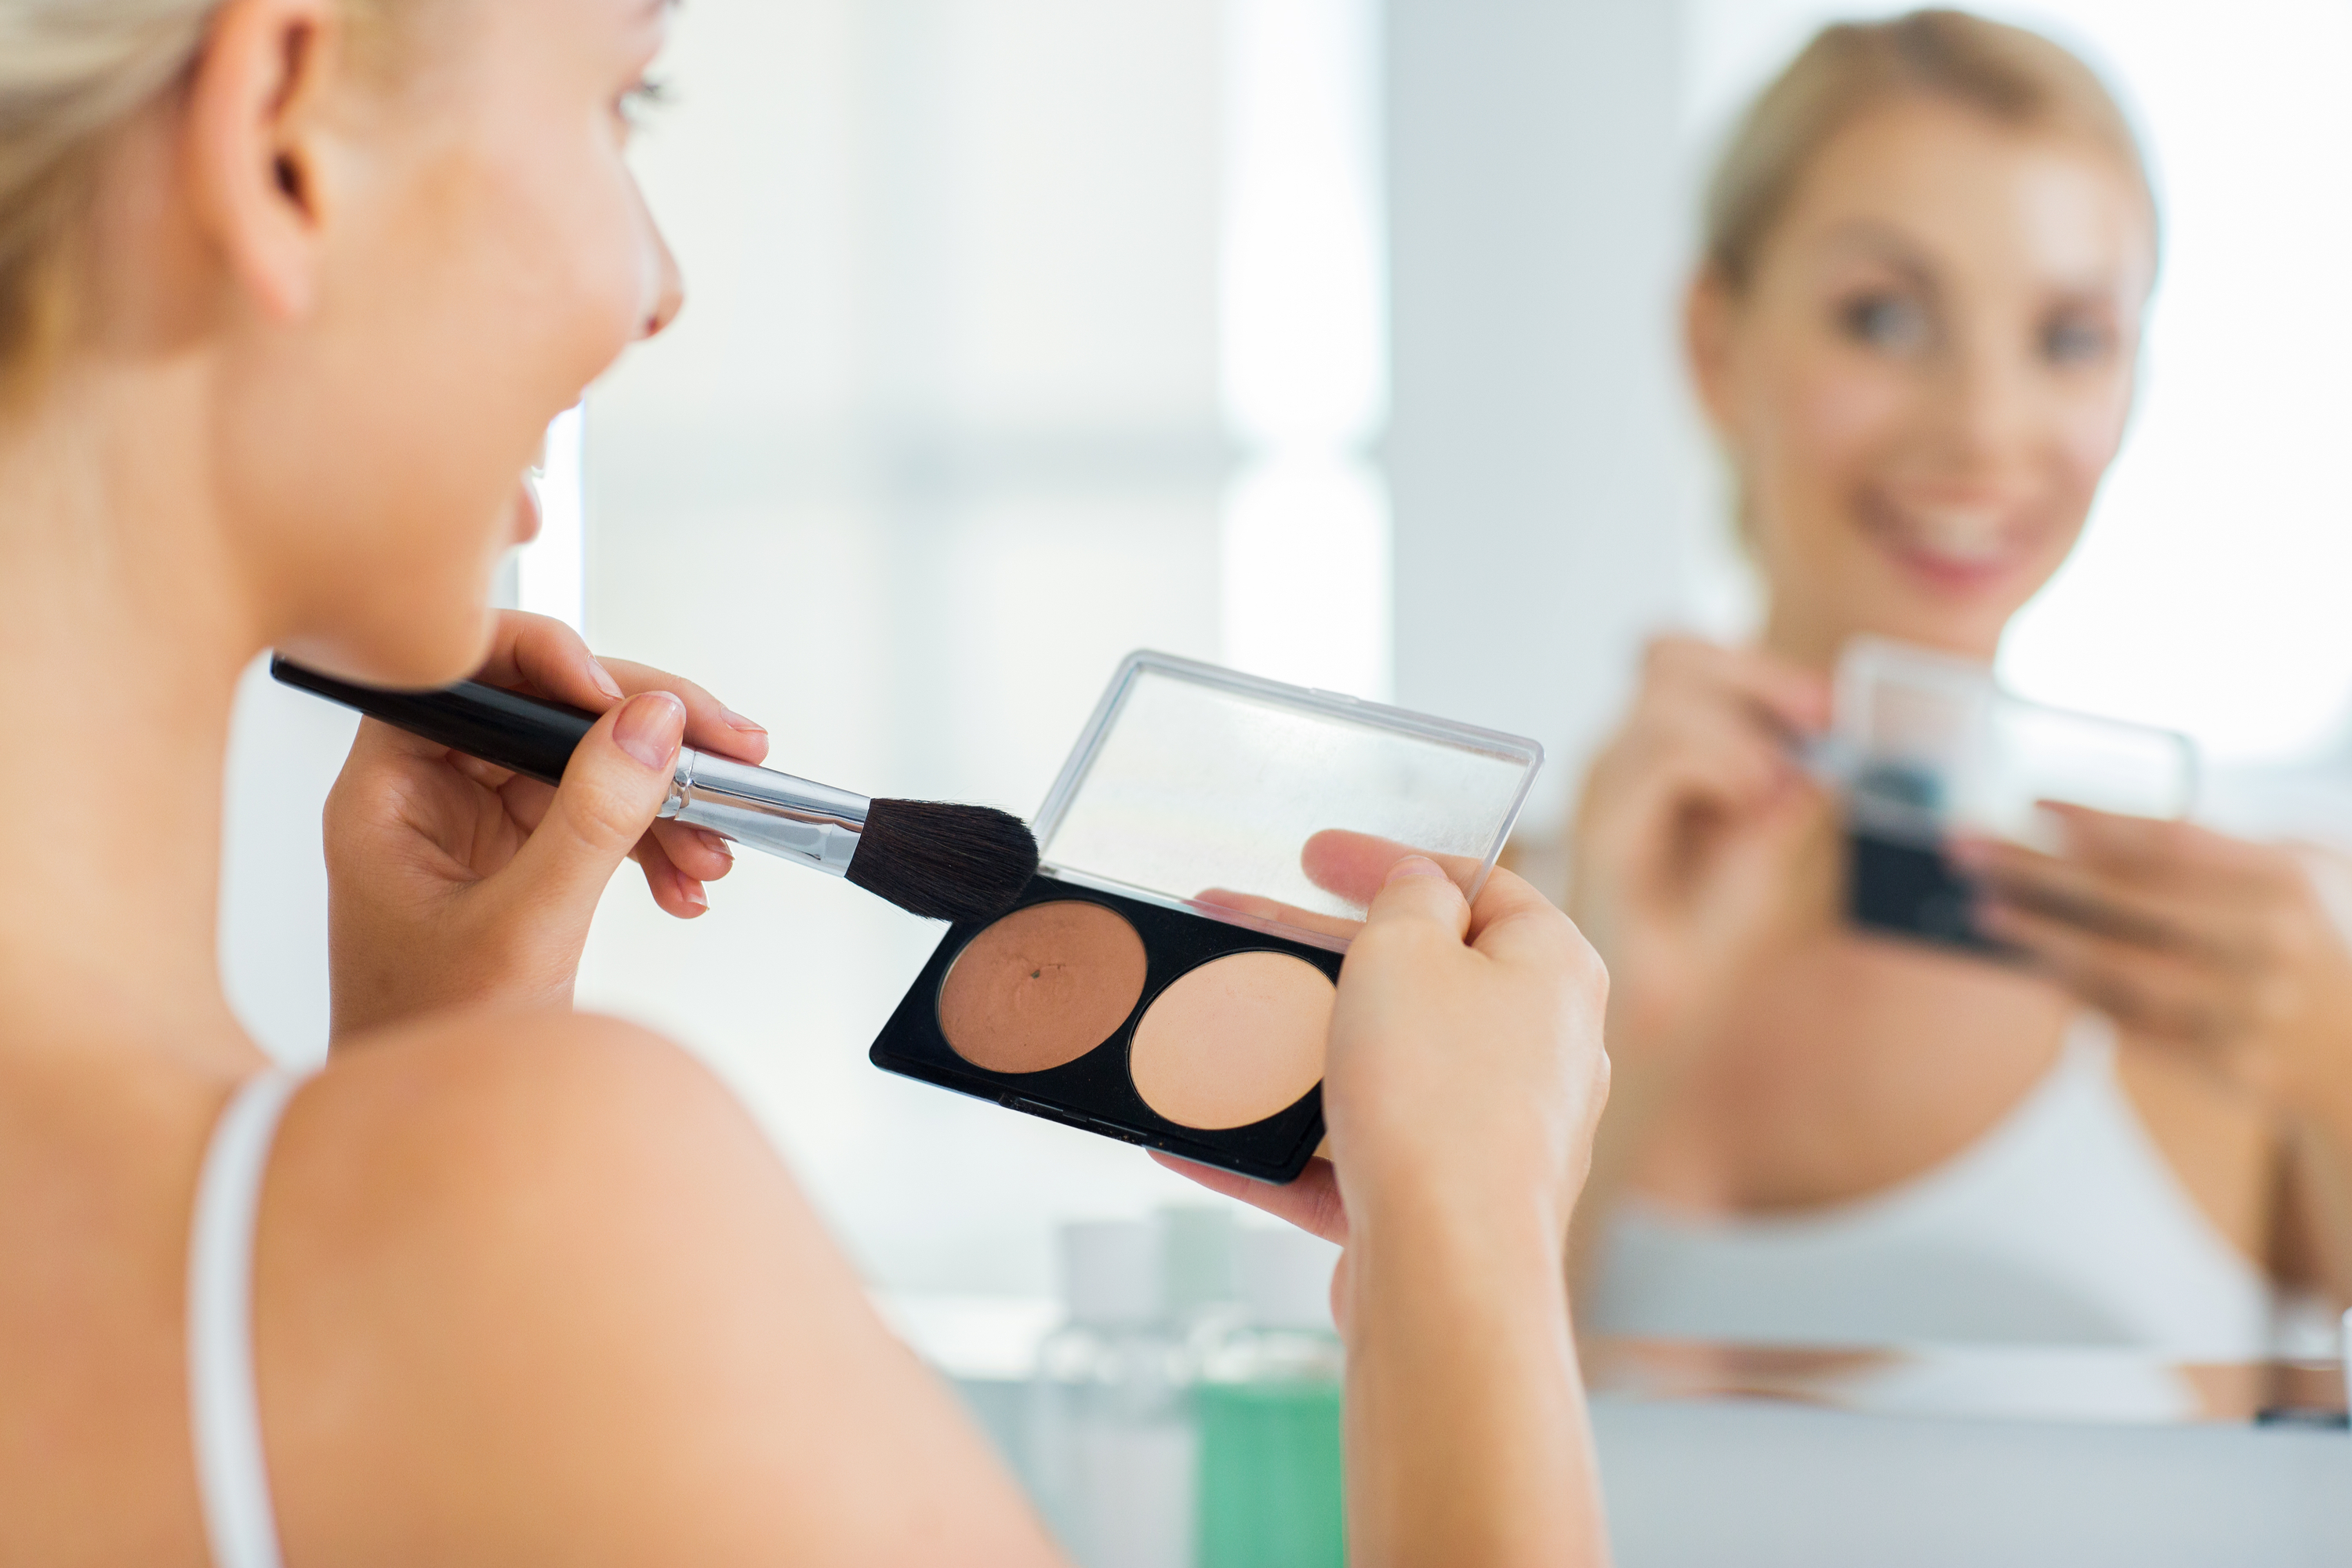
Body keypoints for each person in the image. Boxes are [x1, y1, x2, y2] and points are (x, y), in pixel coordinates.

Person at [0, 2, 1613, 1562]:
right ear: (285, 136)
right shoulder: (553, 1183)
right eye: (626, 96)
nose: (662, 288)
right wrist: (1472, 1242)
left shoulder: (371, 1244)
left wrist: (434, 1074)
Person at [1567, 9, 2352, 1357]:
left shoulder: (2254, 971)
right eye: (1884, 316)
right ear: (1715, 343)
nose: (1985, 430)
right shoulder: (1501, 934)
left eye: (2068, 338)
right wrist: (1613, 1023)